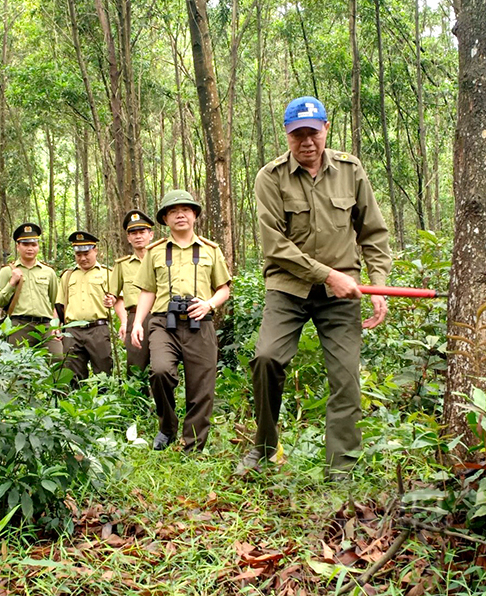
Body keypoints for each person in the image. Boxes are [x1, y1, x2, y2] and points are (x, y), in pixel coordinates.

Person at [237, 96, 392, 477]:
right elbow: (275, 245)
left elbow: (372, 231)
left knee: (346, 376)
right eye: (297, 135)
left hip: (343, 294)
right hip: (288, 287)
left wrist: (379, 285)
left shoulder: (351, 170)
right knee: (267, 358)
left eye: (313, 132)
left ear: (326, 129)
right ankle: (264, 447)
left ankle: (341, 468)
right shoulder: (270, 177)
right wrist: (328, 275)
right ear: (287, 137)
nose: (306, 142)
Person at [130, 190, 231, 452]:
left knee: (202, 386)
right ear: (165, 218)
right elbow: (148, 291)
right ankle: (167, 427)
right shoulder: (154, 252)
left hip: (201, 322)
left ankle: (193, 443)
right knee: (161, 371)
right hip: (164, 323)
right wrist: (138, 322)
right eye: (173, 211)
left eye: (186, 209)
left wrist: (209, 303)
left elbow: (224, 289)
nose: (180, 214)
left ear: (195, 215)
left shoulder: (211, 250)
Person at [0, 223, 62, 356]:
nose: (30, 248)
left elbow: (55, 302)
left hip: (45, 326)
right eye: (25, 244)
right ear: (18, 246)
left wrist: (56, 325)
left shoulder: (48, 272)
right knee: (17, 368)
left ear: (38, 246)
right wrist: (12, 282)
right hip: (19, 326)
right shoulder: (7, 271)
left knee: (57, 360)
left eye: (33, 244)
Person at [56, 231, 115, 384]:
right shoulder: (67, 276)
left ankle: (104, 405)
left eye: (86, 253)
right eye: (78, 255)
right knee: (72, 374)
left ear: (95, 250)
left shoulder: (107, 274)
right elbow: (59, 304)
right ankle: (75, 406)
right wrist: (56, 327)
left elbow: (118, 300)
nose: (82, 258)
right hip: (72, 331)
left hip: (98, 330)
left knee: (103, 374)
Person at [111, 210, 155, 382]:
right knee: (136, 367)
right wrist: (123, 321)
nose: (138, 236)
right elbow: (115, 297)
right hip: (135, 317)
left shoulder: (162, 259)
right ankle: (138, 406)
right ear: (128, 238)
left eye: (142, 232)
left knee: (163, 365)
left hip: (161, 315)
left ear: (151, 234)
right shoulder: (122, 265)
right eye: (133, 233)